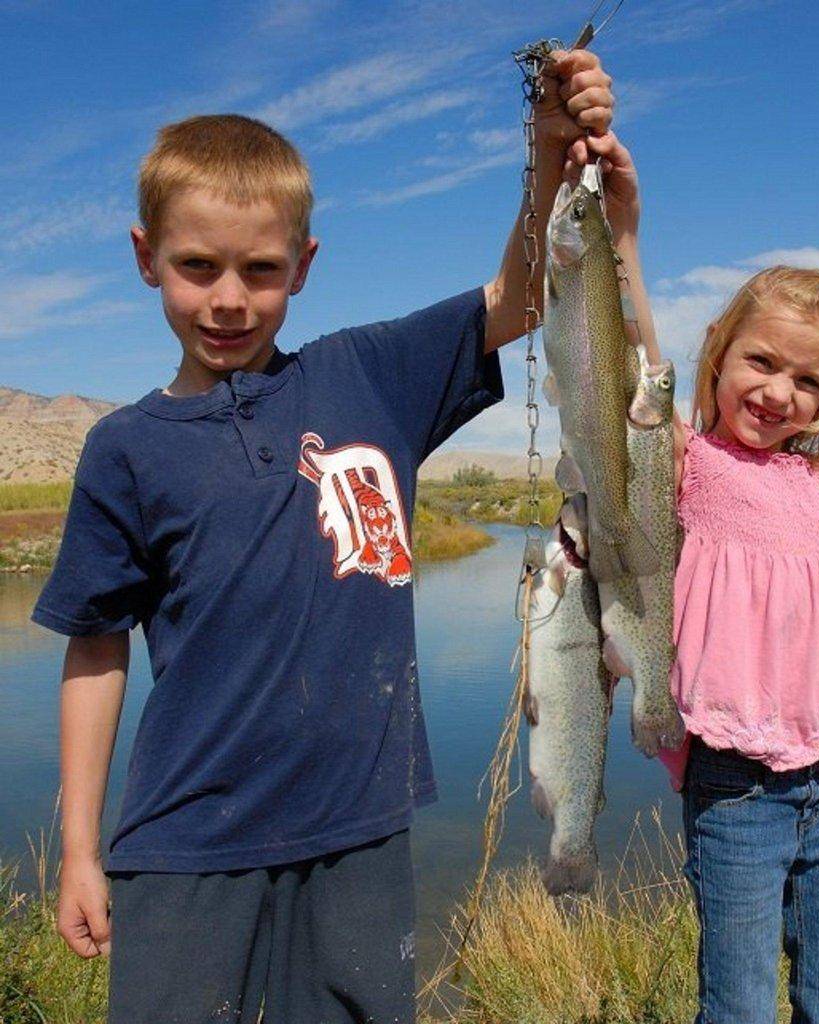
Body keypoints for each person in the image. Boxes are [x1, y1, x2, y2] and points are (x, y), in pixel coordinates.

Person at [31, 50, 616, 1024]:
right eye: (196, 266)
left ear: (303, 267)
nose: (229, 298)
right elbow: (95, 648)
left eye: (261, 270)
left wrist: (549, 151)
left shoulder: (371, 374)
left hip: (363, 830)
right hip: (187, 841)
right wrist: (83, 848)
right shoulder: (123, 449)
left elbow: (520, 294)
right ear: (146, 259)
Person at [603, 141, 819, 1019]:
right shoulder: (687, 463)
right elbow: (631, 352)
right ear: (718, 352)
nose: (778, 392)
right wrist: (622, 229)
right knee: (736, 1003)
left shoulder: (818, 490)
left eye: (807, 380)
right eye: (761, 362)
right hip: (735, 786)